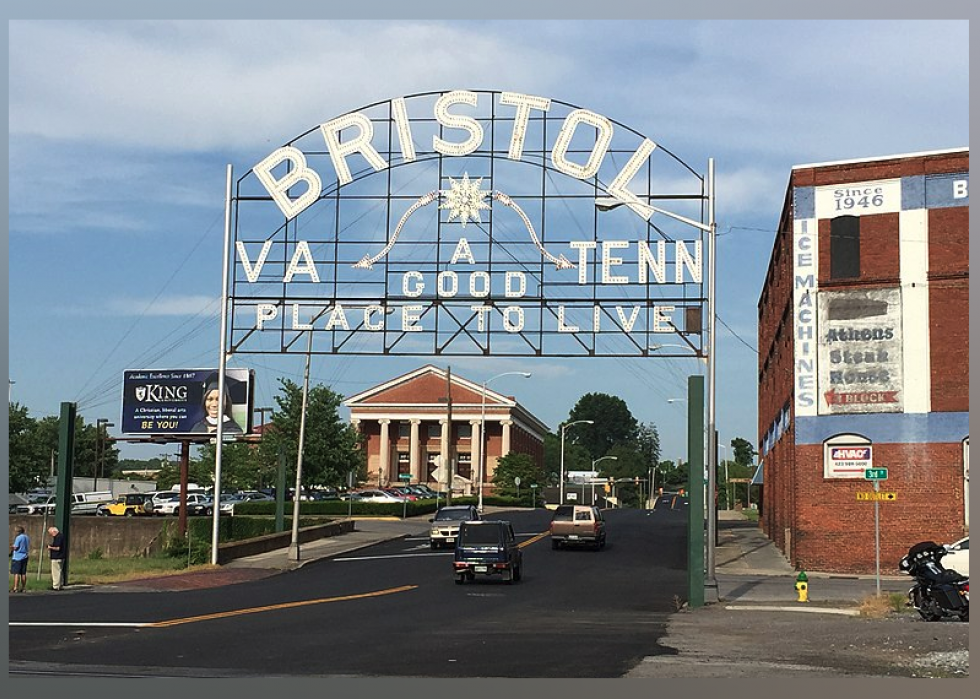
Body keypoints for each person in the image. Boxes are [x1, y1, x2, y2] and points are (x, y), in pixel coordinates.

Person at [9, 525, 30, 593]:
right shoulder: (27, 537)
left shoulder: (18, 538)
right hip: (25, 556)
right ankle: (23, 588)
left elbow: (16, 547)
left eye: (16, 531)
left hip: (17, 557)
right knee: (23, 573)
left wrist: (11, 547)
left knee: (16, 573)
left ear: (18, 531)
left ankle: (15, 588)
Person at [47, 526, 65, 590]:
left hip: (56, 557)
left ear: (54, 531)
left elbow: (58, 548)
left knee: (55, 572)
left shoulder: (58, 537)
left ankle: (56, 586)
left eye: (51, 533)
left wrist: (50, 547)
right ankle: (60, 584)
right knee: (60, 571)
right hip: (61, 556)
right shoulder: (62, 536)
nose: (51, 535)